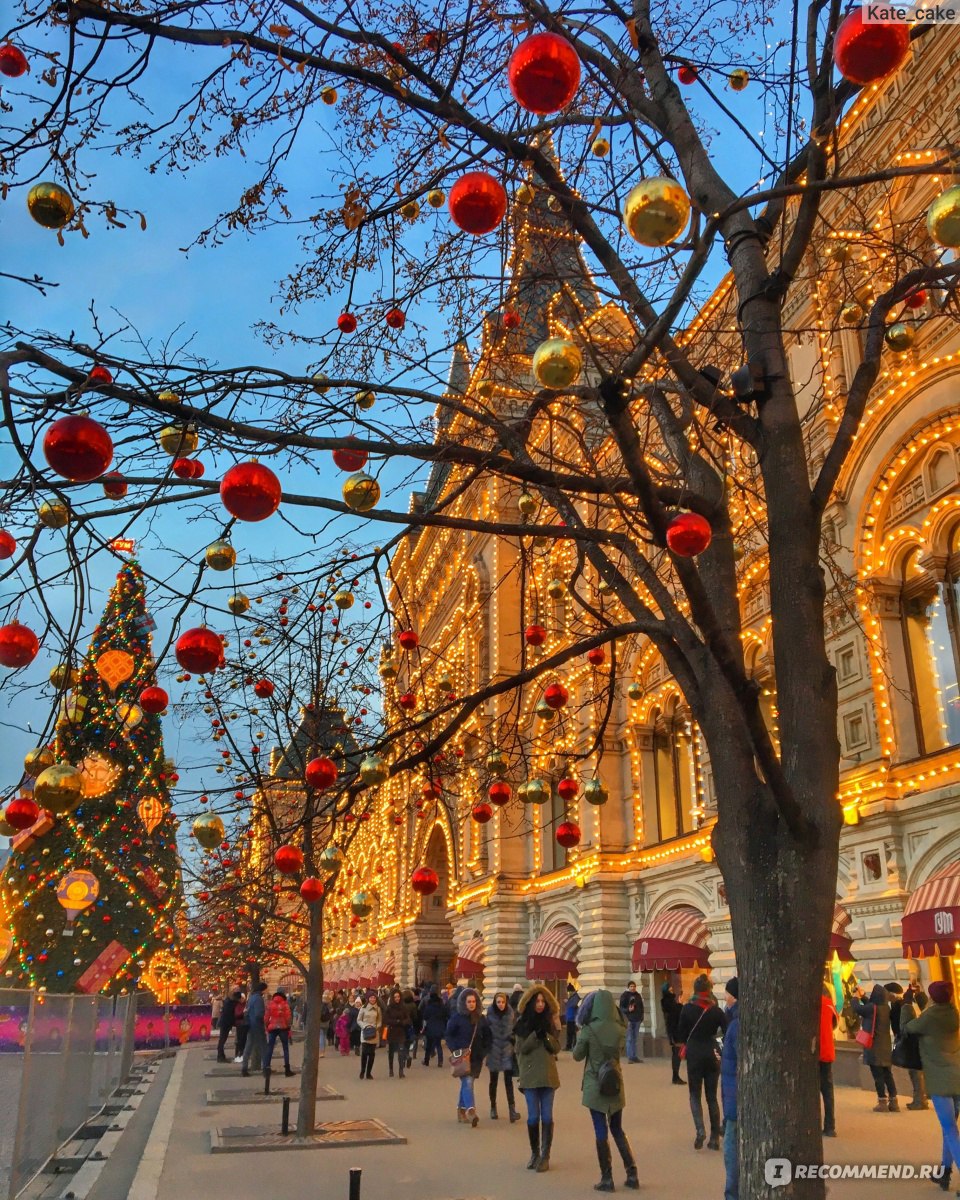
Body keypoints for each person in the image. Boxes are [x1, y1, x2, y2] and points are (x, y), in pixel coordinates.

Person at [573, 988, 639, 1191]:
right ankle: (632, 1173)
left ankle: (607, 1177)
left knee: (600, 1129)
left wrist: (581, 1037)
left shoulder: (589, 1029)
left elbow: (577, 1055)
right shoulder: (621, 1028)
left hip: (595, 1083)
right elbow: (620, 1051)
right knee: (617, 1128)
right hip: (615, 1081)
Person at [901, 979, 960, 1193]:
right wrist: (919, 996)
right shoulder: (953, 1013)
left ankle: (948, 1171)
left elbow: (908, 1028)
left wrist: (907, 1004)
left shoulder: (930, 1018)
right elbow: (932, 1011)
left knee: (950, 1131)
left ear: (934, 998)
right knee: (950, 1129)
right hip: (956, 1078)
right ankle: (944, 1171)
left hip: (940, 1082)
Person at [515, 984, 561, 1172]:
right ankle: (534, 1153)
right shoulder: (521, 1024)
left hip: (548, 1076)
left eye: (543, 1001)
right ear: (531, 1003)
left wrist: (547, 1038)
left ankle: (545, 1156)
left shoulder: (549, 1022)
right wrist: (536, 1036)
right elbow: (521, 1049)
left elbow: (556, 1048)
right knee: (533, 1117)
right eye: (538, 1001)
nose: (541, 1004)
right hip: (530, 1076)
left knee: (547, 1116)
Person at [677, 974, 724, 1150]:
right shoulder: (716, 1010)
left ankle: (699, 1130)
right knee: (712, 1097)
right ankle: (714, 1138)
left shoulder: (687, 1009)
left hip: (695, 1055)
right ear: (709, 990)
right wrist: (721, 1050)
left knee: (695, 1095)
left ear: (695, 990)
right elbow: (725, 1032)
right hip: (712, 1054)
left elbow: (681, 1035)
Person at [445, 986, 491, 1126]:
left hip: (476, 1058)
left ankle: (461, 1109)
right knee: (468, 1082)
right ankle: (471, 1111)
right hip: (462, 1058)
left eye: (473, 1001)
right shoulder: (457, 1018)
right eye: (469, 1001)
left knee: (467, 1084)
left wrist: (484, 1051)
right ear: (463, 1003)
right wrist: (455, 1050)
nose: (471, 1004)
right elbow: (448, 1035)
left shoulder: (481, 1019)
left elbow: (489, 1037)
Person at [852, 983, 899, 1111]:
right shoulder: (885, 1008)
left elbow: (857, 1008)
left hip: (874, 1047)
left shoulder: (872, 1008)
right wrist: (863, 996)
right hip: (885, 1047)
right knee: (888, 1074)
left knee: (878, 1075)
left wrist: (856, 997)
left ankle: (882, 1101)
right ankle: (894, 1102)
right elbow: (870, 1006)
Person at [889, 980, 929, 1109]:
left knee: (915, 1071)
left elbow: (905, 1025)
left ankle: (920, 1100)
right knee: (916, 1071)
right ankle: (920, 1099)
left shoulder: (904, 1006)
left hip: (911, 1041)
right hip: (914, 1040)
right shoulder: (914, 1005)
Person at [487, 990, 521, 1122]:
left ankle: (512, 1110)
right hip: (494, 1050)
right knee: (493, 1081)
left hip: (507, 1050)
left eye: (503, 1002)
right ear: (495, 1003)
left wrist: (513, 1040)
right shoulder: (489, 1016)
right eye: (498, 1002)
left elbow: (516, 1031)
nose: (501, 1004)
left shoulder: (511, 1014)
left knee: (508, 1082)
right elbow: (485, 1032)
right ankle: (493, 1108)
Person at [720, 979, 739, 1200]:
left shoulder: (736, 1024)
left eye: (726, 993)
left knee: (731, 1153)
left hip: (735, 1099)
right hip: (733, 1096)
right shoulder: (733, 1021)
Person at [819, 983, 838, 1137]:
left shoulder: (810, 1005)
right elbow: (834, 1024)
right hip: (827, 1051)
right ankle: (830, 1125)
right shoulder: (830, 1005)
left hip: (814, 1052)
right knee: (827, 1091)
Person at [264, 988, 295, 1077]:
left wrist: (267, 1025)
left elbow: (266, 1017)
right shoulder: (285, 1005)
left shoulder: (270, 1004)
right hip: (283, 1027)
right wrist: (288, 1026)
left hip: (272, 1027)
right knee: (285, 1048)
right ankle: (287, 1070)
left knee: (270, 1047)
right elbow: (288, 1017)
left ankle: (267, 1067)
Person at [241, 982, 268, 1077]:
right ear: (263, 990)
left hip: (250, 1025)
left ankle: (244, 1067)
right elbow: (259, 1014)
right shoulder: (259, 999)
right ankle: (266, 1067)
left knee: (248, 1046)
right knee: (264, 1047)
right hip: (257, 1025)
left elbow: (247, 1011)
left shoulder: (251, 998)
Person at [661, 981, 685, 1084]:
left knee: (677, 1053)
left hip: (674, 1029)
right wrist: (680, 1004)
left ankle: (676, 1075)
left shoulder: (669, 1000)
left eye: (671, 990)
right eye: (669, 990)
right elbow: (675, 1013)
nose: (671, 991)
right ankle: (675, 1076)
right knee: (676, 1053)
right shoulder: (667, 1001)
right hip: (674, 1031)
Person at [384, 988, 409, 1078]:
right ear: (392, 998)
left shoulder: (403, 1007)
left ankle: (401, 1071)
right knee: (391, 1052)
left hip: (401, 1032)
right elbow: (386, 1020)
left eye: (398, 997)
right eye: (395, 997)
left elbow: (408, 1019)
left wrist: (403, 1022)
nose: (397, 998)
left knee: (401, 1052)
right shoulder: (389, 1008)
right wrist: (396, 1022)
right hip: (392, 1031)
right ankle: (391, 1069)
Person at [618, 981, 644, 1064]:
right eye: (631, 986)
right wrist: (628, 1010)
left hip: (637, 1020)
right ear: (628, 987)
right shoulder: (625, 995)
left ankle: (634, 1056)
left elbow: (641, 1007)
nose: (633, 988)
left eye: (634, 986)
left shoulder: (638, 995)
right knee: (629, 1039)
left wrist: (641, 1017)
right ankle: (630, 1057)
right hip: (628, 1020)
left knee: (635, 1039)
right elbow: (621, 1008)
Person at [358, 991, 382, 1080]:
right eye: (371, 998)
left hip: (374, 1033)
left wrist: (376, 1027)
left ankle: (369, 1073)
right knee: (364, 1052)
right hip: (365, 1032)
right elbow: (359, 1020)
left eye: (374, 998)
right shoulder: (363, 1008)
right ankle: (362, 1070)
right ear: (368, 999)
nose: (373, 999)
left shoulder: (378, 1009)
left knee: (372, 1054)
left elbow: (379, 1020)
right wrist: (365, 1026)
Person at [422, 986, 447, 1066]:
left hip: (430, 1027)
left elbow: (425, 1016)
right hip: (439, 1027)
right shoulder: (441, 1005)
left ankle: (426, 1061)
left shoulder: (429, 1006)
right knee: (438, 1045)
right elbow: (445, 1015)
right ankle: (440, 1061)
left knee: (429, 1045)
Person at [216, 989, 241, 1062]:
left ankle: (221, 1056)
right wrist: (234, 1023)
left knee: (222, 1040)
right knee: (222, 1040)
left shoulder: (228, 1001)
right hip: (225, 1024)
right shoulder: (231, 1003)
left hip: (224, 1023)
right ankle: (220, 1057)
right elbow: (230, 1016)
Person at [232, 991, 248, 1063]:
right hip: (240, 1024)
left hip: (244, 1024)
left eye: (243, 998)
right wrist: (243, 1012)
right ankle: (238, 1054)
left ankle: (242, 1054)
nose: (242, 999)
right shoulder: (238, 1005)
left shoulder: (245, 1004)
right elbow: (237, 1014)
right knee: (239, 1040)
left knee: (243, 1040)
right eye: (241, 998)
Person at [564, 983, 581, 1051]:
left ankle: (574, 1047)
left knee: (574, 1034)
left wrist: (567, 1002)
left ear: (572, 991)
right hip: (569, 1018)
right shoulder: (571, 997)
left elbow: (574, 1005)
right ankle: (568, 1046)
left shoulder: (576, 997)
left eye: (569, 991)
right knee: (569, 1033)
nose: (568, 993)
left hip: (574, 1018)